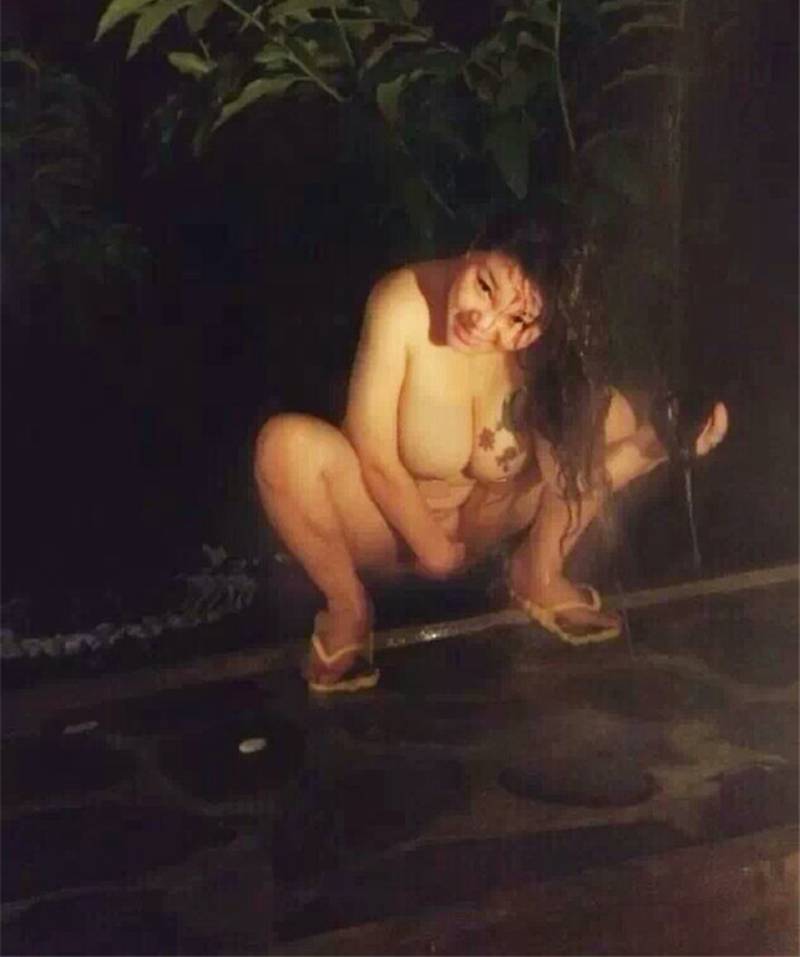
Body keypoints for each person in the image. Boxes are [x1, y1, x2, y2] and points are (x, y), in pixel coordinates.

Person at [253, 224, 729, 693]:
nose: (482, 322)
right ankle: (348, 607)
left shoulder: (542, 355)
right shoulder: (403, 301)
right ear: (472, 249)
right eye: (483, 286)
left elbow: (569, 481)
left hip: (485, 527)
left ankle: (539, 571)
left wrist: (653, 446)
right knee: (283, 448)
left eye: (516, 319)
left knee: (613, 416)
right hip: (386, 532)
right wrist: (430, 546)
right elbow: (371, 449)